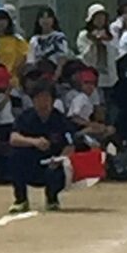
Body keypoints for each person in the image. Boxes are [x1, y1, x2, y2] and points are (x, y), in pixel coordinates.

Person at [8, 79, 75, 213]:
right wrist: (34, 142)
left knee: (63, 169)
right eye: (38, 98)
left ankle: (52, 199)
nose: (42, 101)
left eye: (46, 97)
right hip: (30, 163)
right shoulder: (25, 117)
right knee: (14, 157)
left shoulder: (60, 120)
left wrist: (59, 160)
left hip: (52, 165)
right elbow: (13, 138)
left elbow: (70, 146)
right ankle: (21, 200)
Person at [66, 68, 115, 144]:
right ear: (81, 84)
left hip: (89, 126)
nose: (89, 86)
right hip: (76, 130)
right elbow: (73, 118)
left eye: (92, 84)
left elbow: (99, 116)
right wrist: (90, 124)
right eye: (86, 83)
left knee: (110, 129)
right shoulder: (80, 98)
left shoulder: (91, 96)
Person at [77, 4, 118, 92]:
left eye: (102, 17)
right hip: (92, 77)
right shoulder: (83, 35)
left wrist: (105, 41)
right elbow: (85, 57)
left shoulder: (112, 35)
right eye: (97, 17)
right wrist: (94, 42)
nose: (100, 20)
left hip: (110, 77)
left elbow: (116, 53)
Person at [0, 8, 28, 80]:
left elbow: (23, 59)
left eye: (4, 19)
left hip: (12, 78)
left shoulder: (17, 40)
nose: (1, 23)